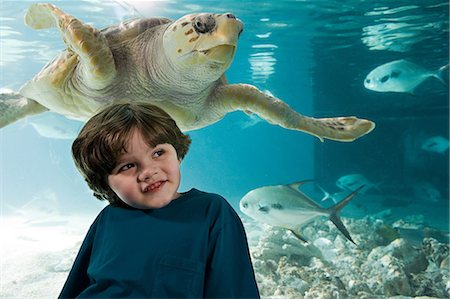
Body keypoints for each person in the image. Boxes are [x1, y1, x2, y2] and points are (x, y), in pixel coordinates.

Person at [59, 102, 260, 298]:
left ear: (178, 153)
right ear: (104, 183)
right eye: (127, 166)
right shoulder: (107, 219)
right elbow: (74, 287)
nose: (148, 171)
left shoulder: (211, 212)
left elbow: (235, 289)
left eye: (158, 153)